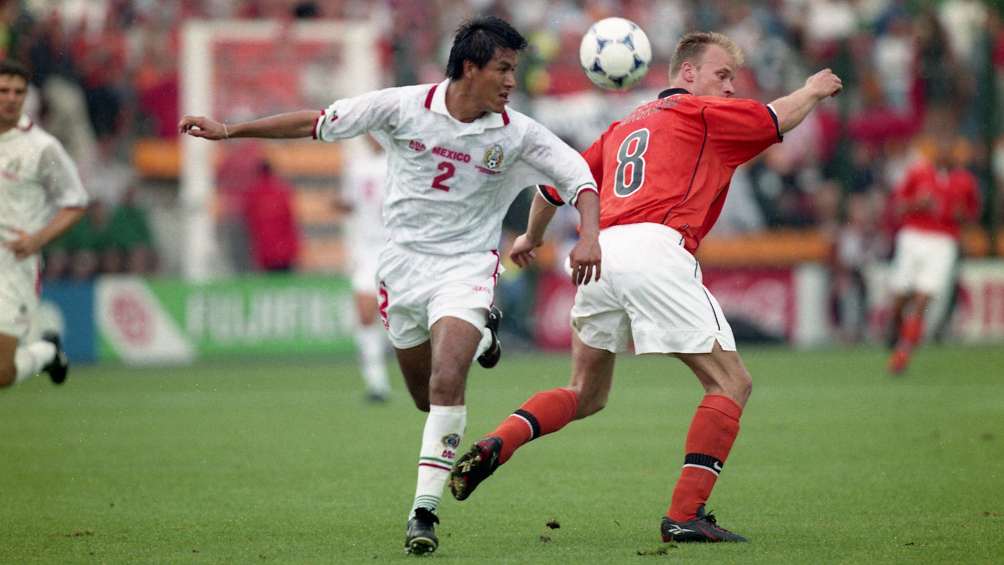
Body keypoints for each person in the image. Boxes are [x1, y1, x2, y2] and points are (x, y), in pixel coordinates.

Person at [178, 16, 601, 555]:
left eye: (514, 70)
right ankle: (486, 340)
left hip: (466, 268)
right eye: (503, 69)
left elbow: (581, 178)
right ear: (469, 68)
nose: (511, 81)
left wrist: (589, 237)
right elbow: (317, 122)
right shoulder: (402, 107)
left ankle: (423, 513)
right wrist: (231, 130)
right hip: (401, 268)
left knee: (449, 382)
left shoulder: (517, 134)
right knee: (426, 398)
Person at [449, 32, 842, 544]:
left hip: (602, 254)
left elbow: (551, 187)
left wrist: (530, 236)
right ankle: (686, 514)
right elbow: (776, 118)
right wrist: (812, 89)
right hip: (655, 249)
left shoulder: (622, 127)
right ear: (687, 75)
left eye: (733, 81)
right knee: (730, 383)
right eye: (721, 76)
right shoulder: (701, 115)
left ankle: (499, 441)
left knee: (584, 392)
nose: (728, 89)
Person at [0, 59, 87, 389]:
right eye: (3, 91)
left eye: (17, 92)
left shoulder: (41, 148)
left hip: (13, 266)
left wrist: (38, 240)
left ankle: (47, 352)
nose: (10, 98)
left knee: (1, 373)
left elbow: (76, 202)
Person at [886, 137, 980, 374]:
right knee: (900, 297)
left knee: (922, 298)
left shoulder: (965, 181)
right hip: (913, 237)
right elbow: (897, 206)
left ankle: (902, 354)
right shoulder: (917, 174)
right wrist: (917, 204)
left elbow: (972, 213)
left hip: (943, 242)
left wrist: (961, 217)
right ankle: (895, 331)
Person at [334, 135, 392, 402]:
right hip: (368, 250)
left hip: (400, 248)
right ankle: (377, 383)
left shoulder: (402, 163)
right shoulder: (356, 167)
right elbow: (352, 203)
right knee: (366, 313)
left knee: (411, 316)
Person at [243, 160, 301, 273]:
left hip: (265, 245)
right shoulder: (282, 190)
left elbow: (249, 218)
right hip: (283, 246)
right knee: (284, 277)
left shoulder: (253, 192)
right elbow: (290, 218)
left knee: (269, 276)